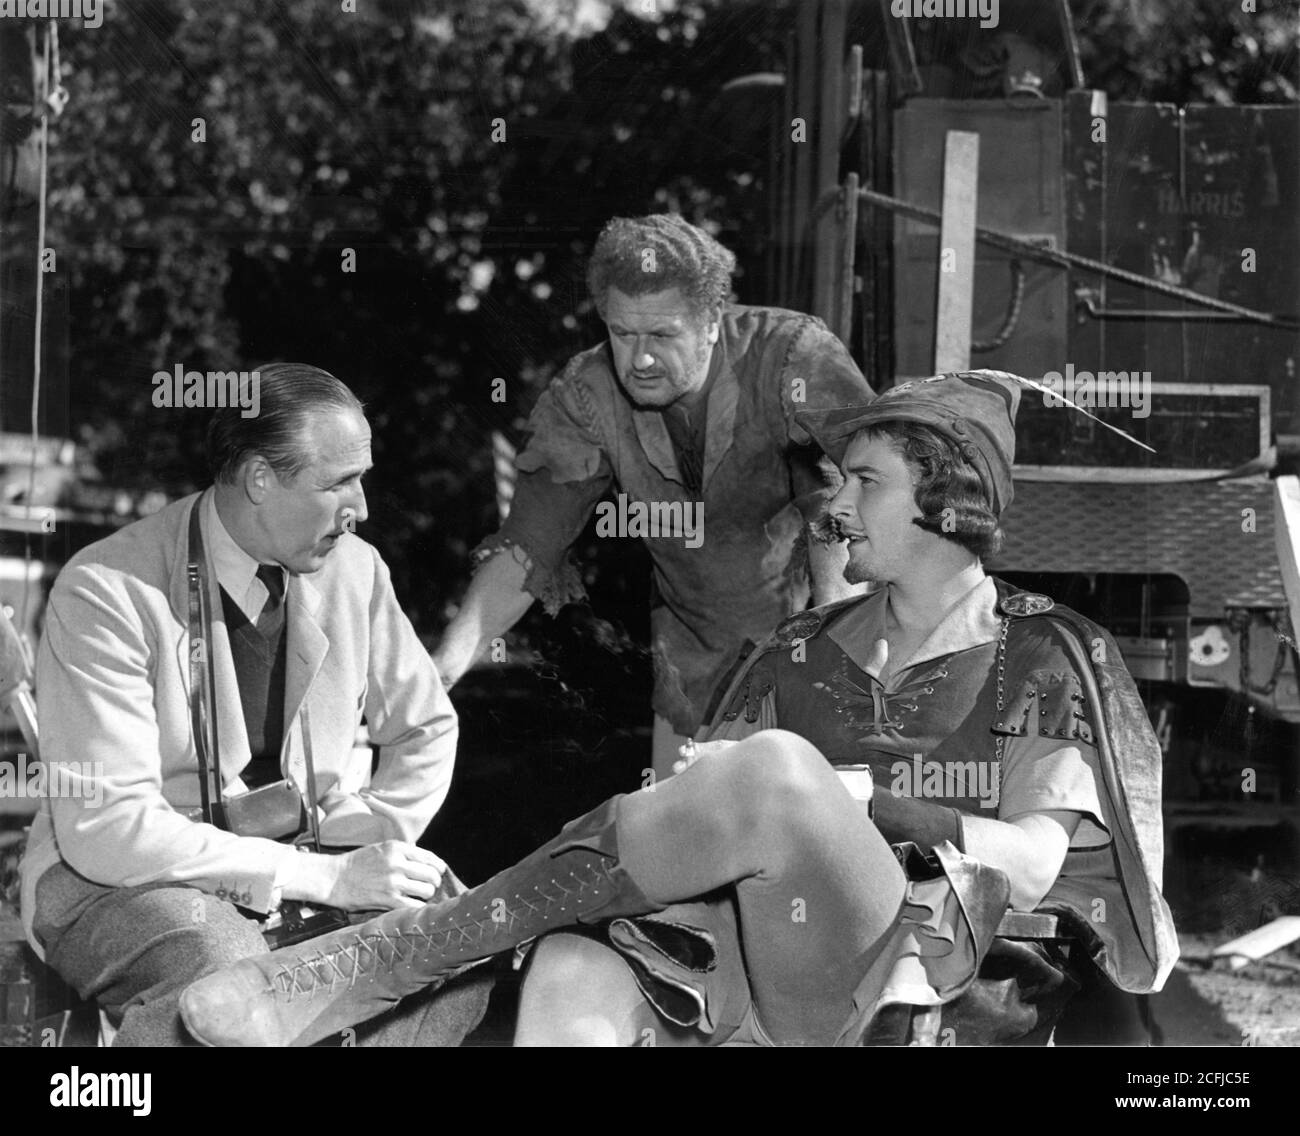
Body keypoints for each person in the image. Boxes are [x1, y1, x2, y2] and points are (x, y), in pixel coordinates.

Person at [179, 370, 1177, 1049]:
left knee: (781, 773)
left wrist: (862, 799)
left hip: (931, 973)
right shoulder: (793, 651)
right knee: (572, 967)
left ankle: (400, 953)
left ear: (951, 502)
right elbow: (694, 815)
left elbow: (1043, 858)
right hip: (762, 963)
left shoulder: (1041, 652)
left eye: (867, 482)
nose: (832, 509)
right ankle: (404, 952)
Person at [19, 364, 491, 1046]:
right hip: (112, 879)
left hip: (306, 869)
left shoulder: (357, 570)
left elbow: (426, 725)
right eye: (339, 483)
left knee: (452, 949)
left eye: (361, 477)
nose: (363, 507)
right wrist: (323, 876)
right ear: (261, 480)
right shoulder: (105, 589)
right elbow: (111, 830)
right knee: (221, 974)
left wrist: (365, 839)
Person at [435, 213, 874, 777]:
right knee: (692, 845)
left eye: (663, 336)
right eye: (622, 334)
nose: (639, 359)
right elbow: (527, 548)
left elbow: (849, 500)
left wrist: (831, 657)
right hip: (692, 664)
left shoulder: (793, 356)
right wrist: (443, 668)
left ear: (712, 321)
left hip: (832, 632)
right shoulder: (584, 396)